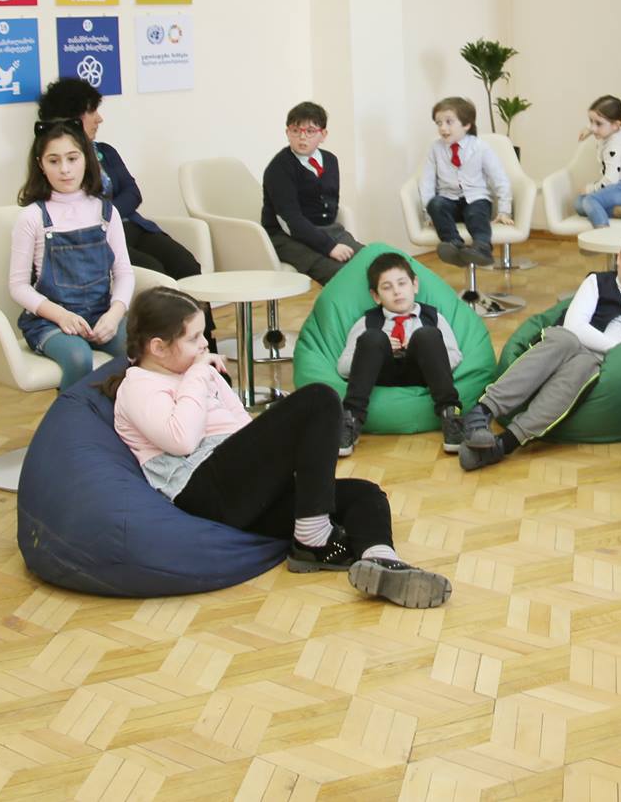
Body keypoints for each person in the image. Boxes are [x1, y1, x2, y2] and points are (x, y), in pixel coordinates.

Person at [107, 287, 450, 608]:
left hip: (244, 489)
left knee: (364, 493)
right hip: (204, 491)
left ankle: (382, 563)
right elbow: (180, 439)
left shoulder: (200, 372)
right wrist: (197, 376)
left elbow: (242, 428)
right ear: (157, 347)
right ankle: (312, 538)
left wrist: (288, 464)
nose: (204, 345)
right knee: (319, 399)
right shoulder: (139, 385)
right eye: (194, 338)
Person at [461, 227, 621, 471]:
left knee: (584, 367)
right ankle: (482, 412)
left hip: (600, 364)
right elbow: (574, 326)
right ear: (619, 256)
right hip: (566, 343)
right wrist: (619, 350)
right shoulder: (597, 282)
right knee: (567, 341)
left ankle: (504, 444)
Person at [36, 78, 213, 345]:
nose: (99, 118)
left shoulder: (105, 152)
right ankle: (170, 348)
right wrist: (105, 217)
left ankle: (204, 343)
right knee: (155, 274)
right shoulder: (64, 165)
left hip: (135, 226)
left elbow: (133, 192)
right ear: (73, 117)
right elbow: (77, 210)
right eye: (92, 111)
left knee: (186, 264)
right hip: (100, 239)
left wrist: (107, 213)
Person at [10, 120, 132, 389]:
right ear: (41, 165)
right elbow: (18, 287)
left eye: (72, 158)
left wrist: (114, 314)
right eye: (54, 161)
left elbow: (124, 272)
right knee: (78, 357)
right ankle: (70, 415)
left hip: (101, 314)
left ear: (86, 159)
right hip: (50, 322)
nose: (64, 169)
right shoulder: (32, 217)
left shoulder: (106, 211)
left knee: (137, 349)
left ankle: (119, 412)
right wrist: (61, 316)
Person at [335, 253, 464, 456]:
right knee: (373, 338)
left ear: (415, 285)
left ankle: (451, 415)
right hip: (381, 374)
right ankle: (351, 419)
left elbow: (455, 356)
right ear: (376, 296)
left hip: (422, 373)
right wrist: (383, 347)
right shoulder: (367, 322)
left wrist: (419, 350)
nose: (397, 292)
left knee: (427, 335)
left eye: (402, 283)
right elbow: (343, 367)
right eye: (387, 287)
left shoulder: (432, 317)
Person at [261, 101, 364, 284]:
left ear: (323, 135)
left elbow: (331, 203)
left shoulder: (330, 160)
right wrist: (329, 247)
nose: (302, 137)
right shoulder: (279, 168)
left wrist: (333, 239)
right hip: (288, 237)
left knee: (376, 262)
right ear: (287, 133)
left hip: (327, 229)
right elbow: (291, 221)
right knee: (343, 275)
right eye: (295, 131)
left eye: (310, 131)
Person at [418, 97, 511, 266]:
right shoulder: (435, 148)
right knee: (436, 204)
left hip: (476, 198)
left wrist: (504, 210)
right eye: (439, 123)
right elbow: (427, 182)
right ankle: (453, 244)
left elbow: (500, 179)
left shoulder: (480, 147)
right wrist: (429, 213)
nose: (443, 128)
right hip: (449, 200)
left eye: (449, 122)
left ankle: (482, 247)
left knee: (476, 213)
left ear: (466, 124)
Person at [575, 95, 621, 230]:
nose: (593, 128)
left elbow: (611, 179)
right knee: (579, 203)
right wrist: (589, 129)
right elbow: (605, 121)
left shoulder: (614, 144)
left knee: (590, 200)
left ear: (615, 125)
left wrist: (591, 188)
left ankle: (603, 234)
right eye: (591, 121)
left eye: (598, 124)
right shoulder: (618, 129)